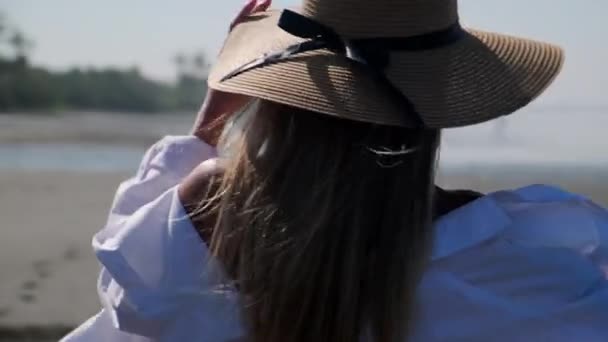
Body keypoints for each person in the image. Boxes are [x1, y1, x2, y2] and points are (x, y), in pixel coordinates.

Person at [62, 0, 608, 341]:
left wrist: (207, 128)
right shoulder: (526, 259)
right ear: (439, 101)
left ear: (280, 94)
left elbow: (127, 295)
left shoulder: (201, 225)